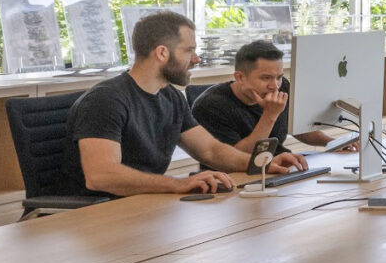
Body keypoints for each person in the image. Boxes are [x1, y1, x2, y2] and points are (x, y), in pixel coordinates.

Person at [70, 11, 306, 197]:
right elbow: (101, 176)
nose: (196, 59)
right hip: (97, 214)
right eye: (189, 50)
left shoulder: (170, 97)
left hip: (145, 203)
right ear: (162, 53)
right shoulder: (106, 100)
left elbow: (211, 150)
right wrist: (177, 184)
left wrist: (263, 162)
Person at [187, 39, 293, 168]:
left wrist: (325, 142)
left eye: (279, 77)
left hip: (273, 168)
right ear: (240, 78)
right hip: (232, 179)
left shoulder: (282, 88)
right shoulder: (210, 106)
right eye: (266, 78)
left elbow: (302, 127)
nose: (275, 86)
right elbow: (236, 159)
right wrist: (269, 115)